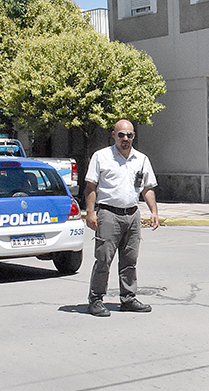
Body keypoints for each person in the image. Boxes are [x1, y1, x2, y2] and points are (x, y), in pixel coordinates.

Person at [85, 119, 160, 317]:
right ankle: (95, 300)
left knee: (130, 260)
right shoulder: (101, 156)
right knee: (103, 259)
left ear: (134, 136)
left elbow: (147, 188)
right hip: (109, 214)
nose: (125, 139)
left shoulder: (141, 159)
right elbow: (91, 187)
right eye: (121, 135)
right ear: (113, 135)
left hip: (132, 214)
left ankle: (128, 298)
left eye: (129, 135)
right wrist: (90, 213)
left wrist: (154, 212)